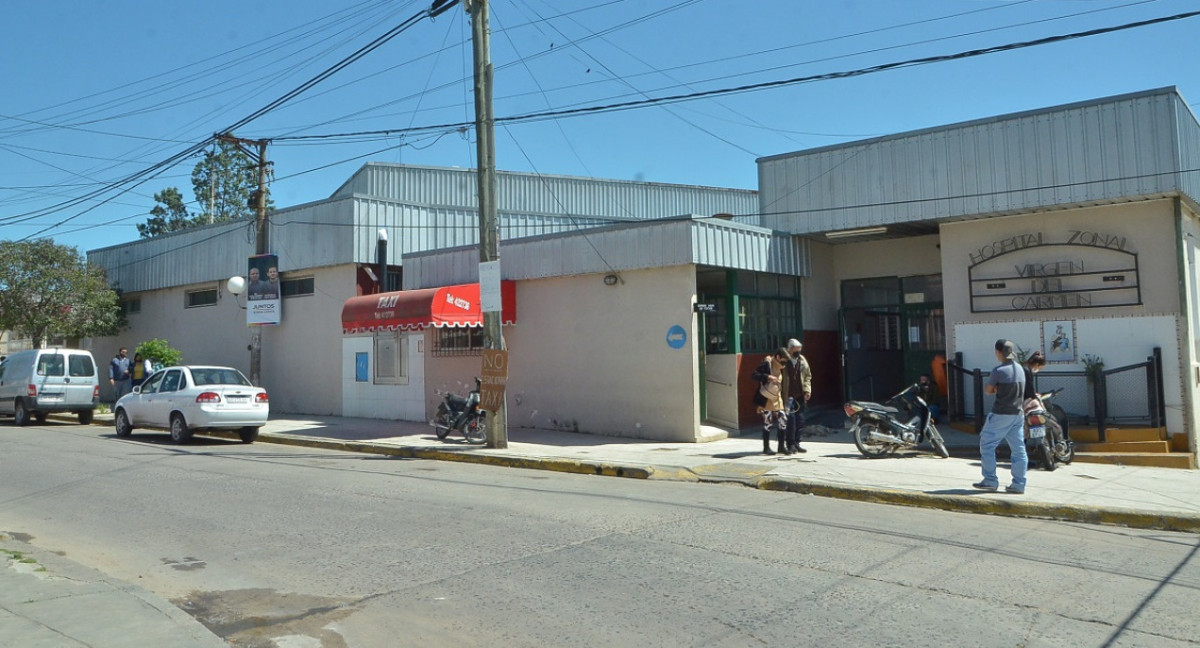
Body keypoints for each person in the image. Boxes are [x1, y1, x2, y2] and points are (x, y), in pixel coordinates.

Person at [974, 339, 1028, 494]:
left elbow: (988, 390)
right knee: (1018, 450)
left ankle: (990, 480)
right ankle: (1018, 484)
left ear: (998, 352)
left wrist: (997, 389)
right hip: (1018, 414)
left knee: (987, 444)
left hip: (1001, 414)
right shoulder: (1020, 369)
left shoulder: (999, 370)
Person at [752, 348, 791, 455]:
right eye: (783, 360)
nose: (784, 363)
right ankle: (766, 447)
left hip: (777, 399)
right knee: (767, 423)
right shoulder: (767, 363)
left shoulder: (780, 367)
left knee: (783, 420)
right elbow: (754, 375)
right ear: (778, 357)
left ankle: (781, 447)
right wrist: (768, 377)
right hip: (767, 400)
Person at [783, 338, 812, 454]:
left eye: (799, 350)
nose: (798, 352)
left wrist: (807, 390)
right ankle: (790, 444)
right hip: (788, 394)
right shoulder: (783, 360)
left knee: (800, 420)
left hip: (799, 395)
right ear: (789, 349)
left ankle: (797, 442)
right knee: (790, 420)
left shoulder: (802, 360)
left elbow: (808, 376)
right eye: (796, 350)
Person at [1022, 350, 1050, 468]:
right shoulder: (1027, 371)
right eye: (1040, 368)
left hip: (1018, 402)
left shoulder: (1024, 368)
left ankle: (1023, 459)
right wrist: (1036, 396)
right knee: (1023, 432)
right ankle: (1023, 460)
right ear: (1037, 365)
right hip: (1024, 404)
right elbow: (1029, 390)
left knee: (1022, 433)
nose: (1039, 370)